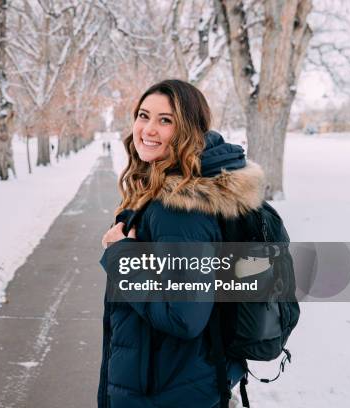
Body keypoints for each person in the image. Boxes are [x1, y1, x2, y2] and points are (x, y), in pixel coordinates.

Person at [98, 79, 265, 408]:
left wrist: (122, 257)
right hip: (178, 379)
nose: (148, 129)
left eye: (166, 120)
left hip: (165, 391)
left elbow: (184, 316)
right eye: (144, 115)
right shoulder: (170, 188)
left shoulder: (180, 210)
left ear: (189, 130)